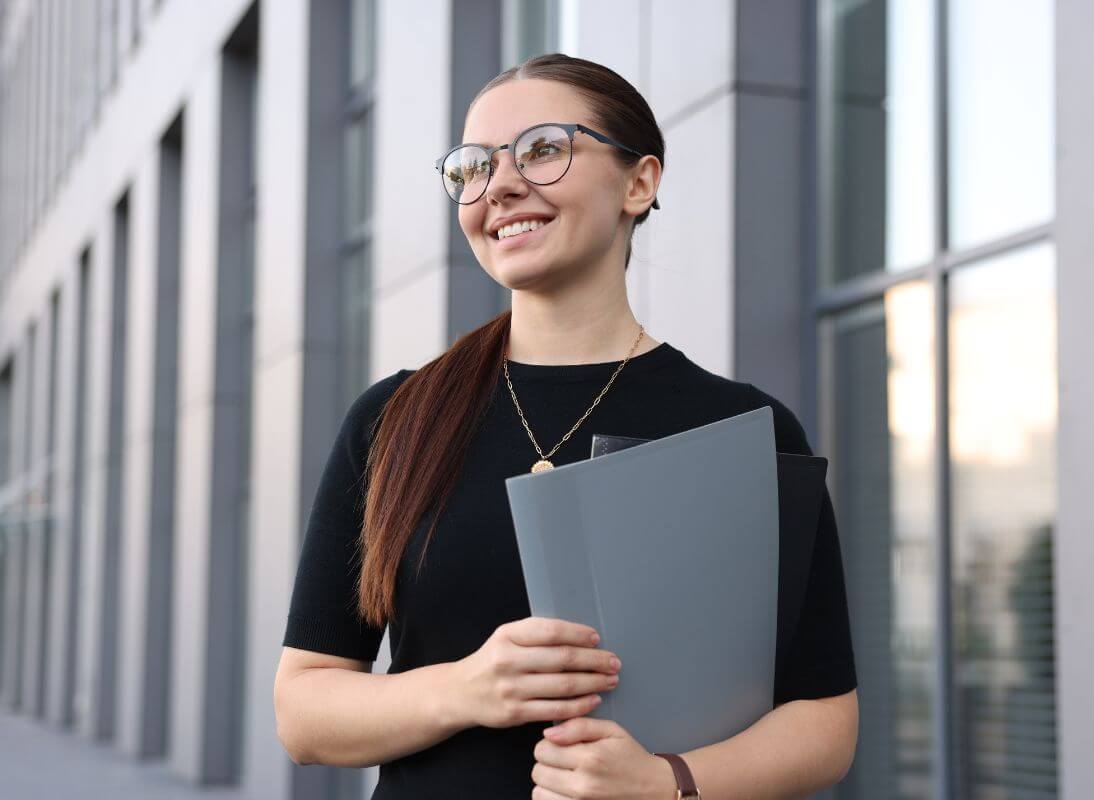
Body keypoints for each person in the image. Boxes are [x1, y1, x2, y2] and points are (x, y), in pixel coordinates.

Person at [273, 52, 858, 799]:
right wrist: (468, 688)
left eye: (543, 149)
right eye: (474, 167)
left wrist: (665, 783)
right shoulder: (394, 420)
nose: (501, 184)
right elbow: (304, 710)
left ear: (639, 183)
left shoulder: (744, 427)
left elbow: (824, 722)